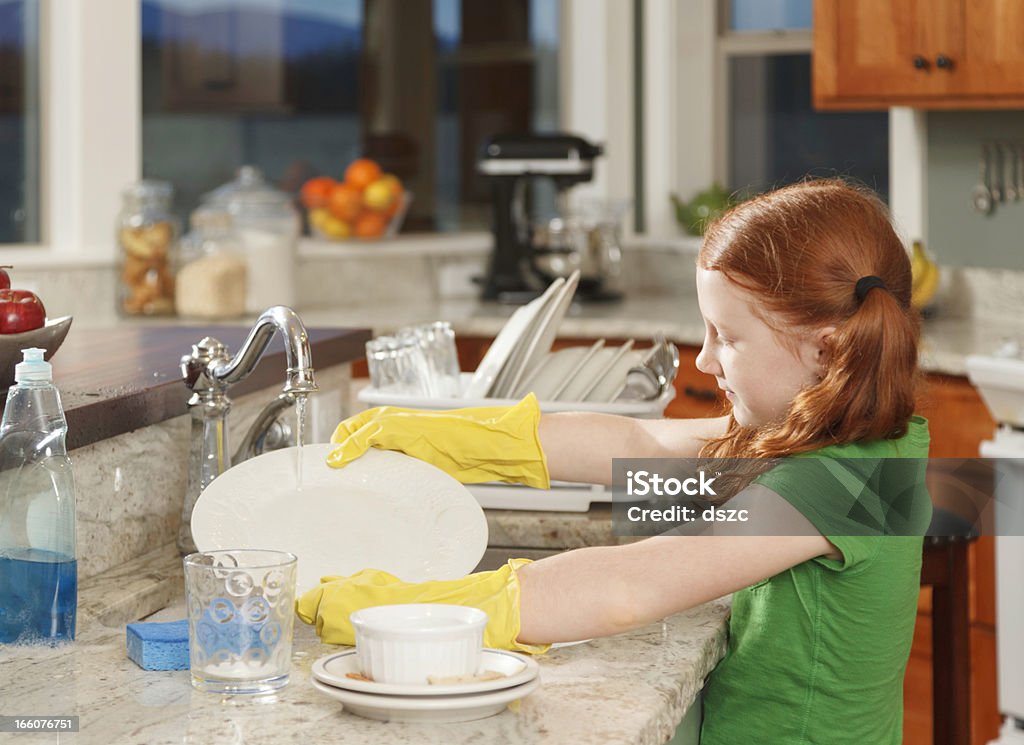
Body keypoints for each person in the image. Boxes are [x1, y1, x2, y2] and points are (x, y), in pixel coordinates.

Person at [297, 178, 932, 744]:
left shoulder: (840, 486)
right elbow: (645, 445)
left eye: (728, 338)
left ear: (825, 352)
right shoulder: (857, 443)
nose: (705, 362)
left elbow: (628, 587)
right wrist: (453, 435)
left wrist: (404, 614)